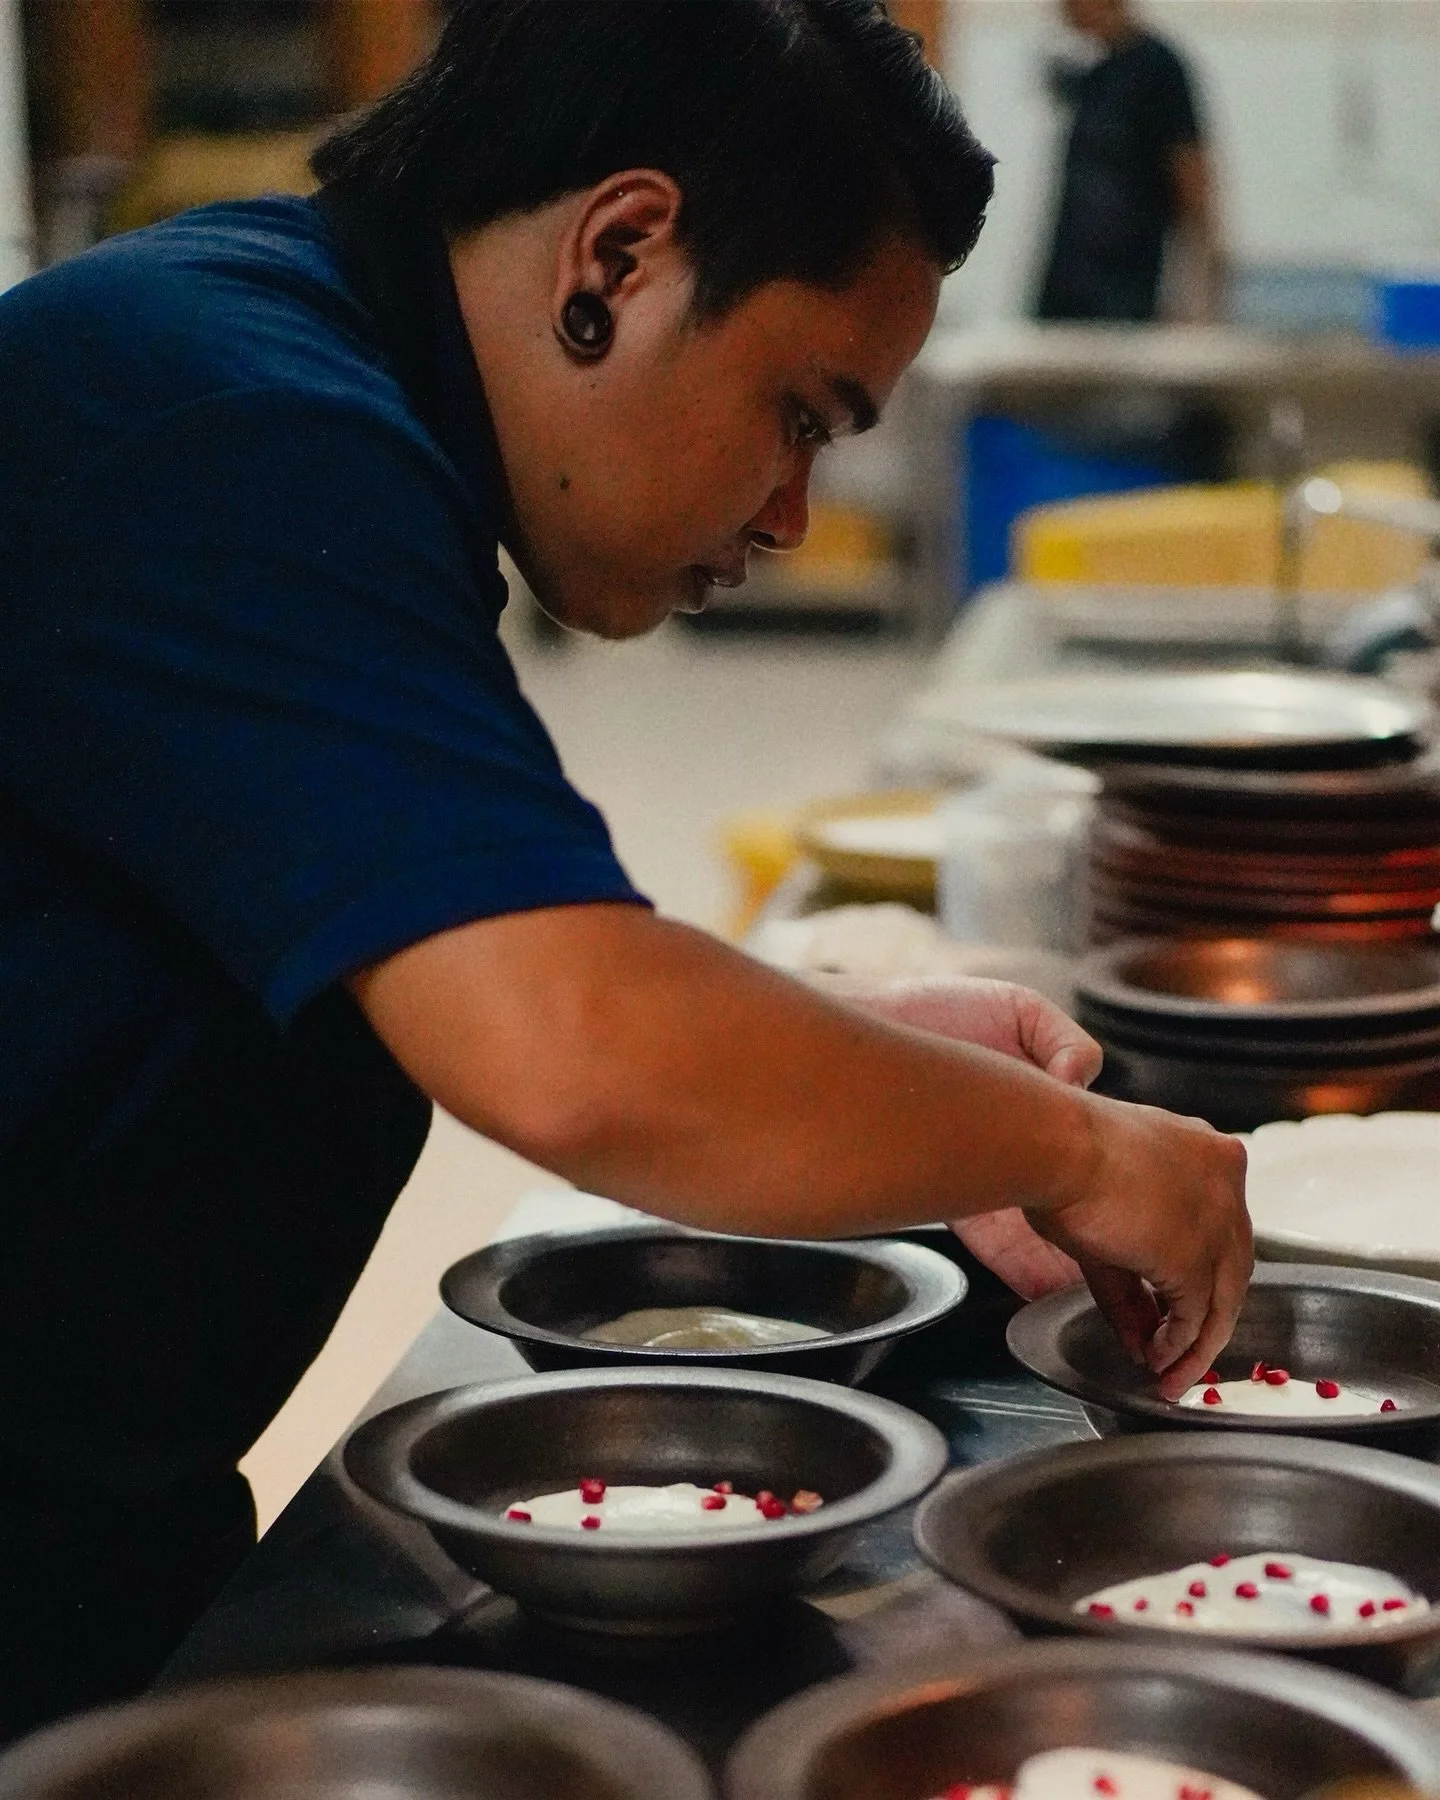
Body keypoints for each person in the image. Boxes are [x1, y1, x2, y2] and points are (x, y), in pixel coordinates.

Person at [0, 0, 1249, 1738]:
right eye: (799, 415)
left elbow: (460, 940)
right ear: (623, 248)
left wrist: (868, 1059)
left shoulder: (308, 393)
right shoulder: (225, 420)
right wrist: (1076, 1145)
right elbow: (574, 1047)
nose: (796, 511)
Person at [1038, 0, 1224, 323]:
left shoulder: (1160, 70)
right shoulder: (1096, 74)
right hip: (1066, 295)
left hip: (1125, 300)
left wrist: (1198, 302)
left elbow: (1196, 191)